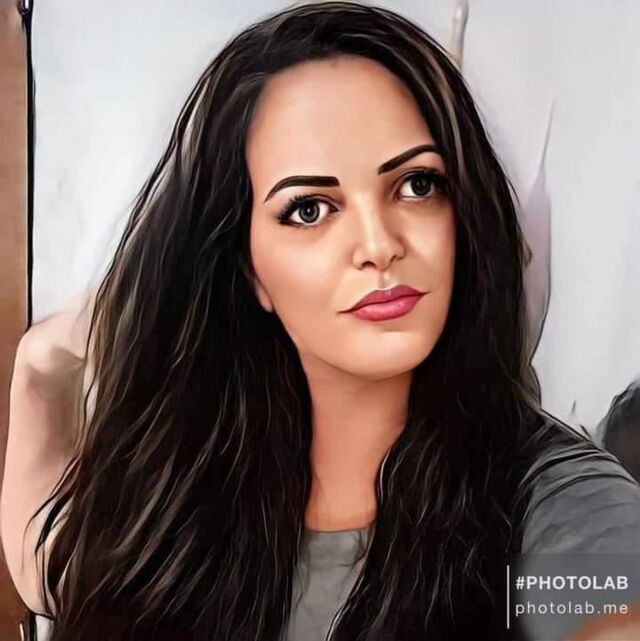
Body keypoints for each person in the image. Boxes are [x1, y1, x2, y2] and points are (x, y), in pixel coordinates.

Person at [2, 2, 640, 640]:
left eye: (417, 185)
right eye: (309, 209)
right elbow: (48, 566)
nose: (378, 244)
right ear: (249, 269)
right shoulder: (184, 502)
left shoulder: (554, 504)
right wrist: (40, 366)